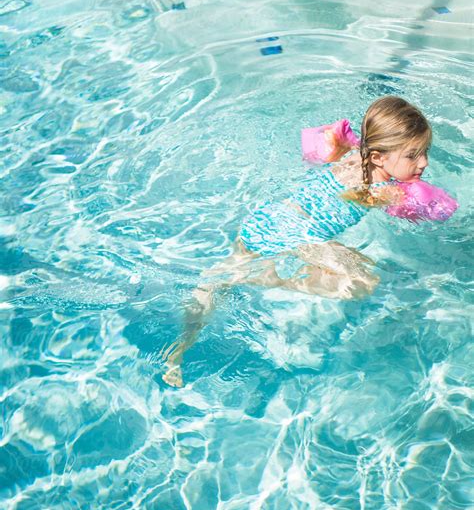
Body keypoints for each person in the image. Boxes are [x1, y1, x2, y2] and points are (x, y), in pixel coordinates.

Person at [162, 96, 433, 387]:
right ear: (379, 157)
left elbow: (326, 157)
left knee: (215, 284)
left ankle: (176, 353)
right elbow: (377, 202)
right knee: (364, 282)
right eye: (413, 155)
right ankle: (265, 276)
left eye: (424, 152)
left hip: (268, 218)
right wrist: (407, 200)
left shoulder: (352, 155)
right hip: (297, 238)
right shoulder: (387, 191)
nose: (423, 163)